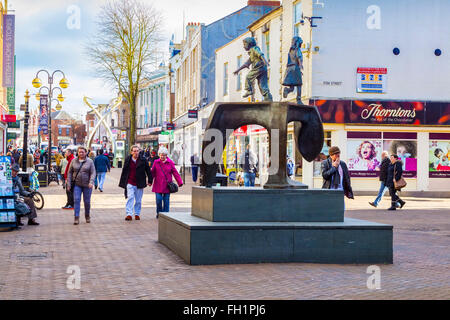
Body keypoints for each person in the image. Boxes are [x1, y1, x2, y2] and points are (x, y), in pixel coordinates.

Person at [118, 145, 153, 221]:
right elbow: (124, 171)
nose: (136, 152)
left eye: (137, 151)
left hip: (139, 183)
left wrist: (150, 180)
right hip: (130, 182)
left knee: (138, 200)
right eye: (134, 151)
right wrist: (123, 182)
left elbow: (148, 171)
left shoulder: (143, 160)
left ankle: (137, 213)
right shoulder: (128, 159)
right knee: (130, 197)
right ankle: (129, 214)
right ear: (131, 152)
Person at [233, 37, 273, 101]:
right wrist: (238, 70)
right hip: (263, 69)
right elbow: (246, 64)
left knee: (248, 77)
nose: (243, 47)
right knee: (262, 84)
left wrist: (266, 62)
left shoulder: (254, 49)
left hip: (259, 67)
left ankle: (249, 90)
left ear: (249, 44)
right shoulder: (251, 54)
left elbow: (260, 54)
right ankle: (268, 97)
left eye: (244, 44)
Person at [151, 147, 183, 219]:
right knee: (158, 200)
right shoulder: (156, 162)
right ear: (159, 155)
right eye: (161, 155)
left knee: (166, 201)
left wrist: (179, 182)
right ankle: (159, 213)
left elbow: (175, 173)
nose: (162, 156)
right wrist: (150, 181)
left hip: (167, 185)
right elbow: (152, 173)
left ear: (166, 155)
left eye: (164, 155)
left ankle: (165, 216)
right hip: (158, 184)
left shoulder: (170, 163)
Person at [67, 147, 96, 225]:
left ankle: (87, 215)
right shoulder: (73, 161)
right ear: (77, 153)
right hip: (77, 184)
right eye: (79, 152)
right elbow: (69, 173)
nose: (81, 153)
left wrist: (91, 182)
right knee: (76, 200)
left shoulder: (90, 161)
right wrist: (69, 184)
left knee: (87, 201)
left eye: (83, 152)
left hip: (87, 185)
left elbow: (93, 172)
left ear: (86, 153)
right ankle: (76, 217)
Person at [282, 36, 304, 104]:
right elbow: (299, 57)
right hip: (295, 68)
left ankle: (287, 90)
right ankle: (299, 99)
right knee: (299, 84)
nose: (301, 44)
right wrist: (300, 66)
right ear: (298, 43)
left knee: (292, 86)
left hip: (289, 69)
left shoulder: (290, 50)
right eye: (300, 43)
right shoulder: (298, 50)